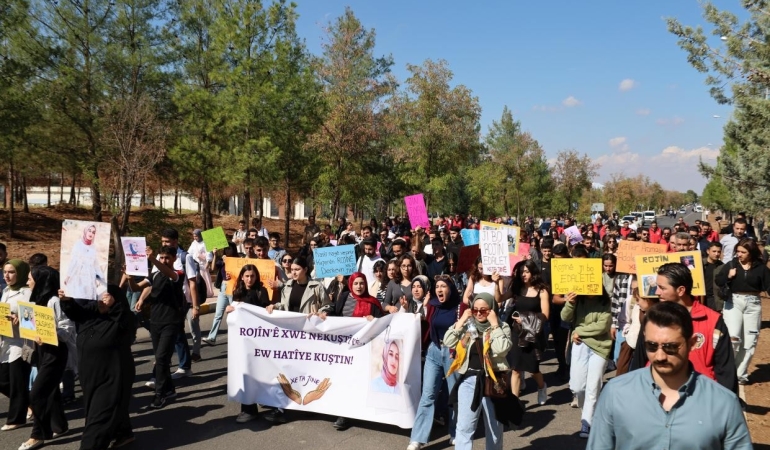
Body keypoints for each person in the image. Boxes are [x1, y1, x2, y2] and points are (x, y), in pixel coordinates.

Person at [587, 302, 752, 450]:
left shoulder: (724, 403)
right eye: (651, 346)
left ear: (692, 344)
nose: (660, 356)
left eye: (671, 347)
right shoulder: (615, 393)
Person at [631, 263, 737, 393]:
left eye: (662, 288)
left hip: (699, 396)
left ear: (681, 290)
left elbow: (725, 368)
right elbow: (639, 359)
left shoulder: (712, 320)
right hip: (656, 394)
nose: (657, 292)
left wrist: (727, 401)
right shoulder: (652, 316)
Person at [60, 284, 135, 450]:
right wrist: (66, 300)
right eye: (99, 297)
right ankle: (123, 433)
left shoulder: (121, 319)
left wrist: (114, 306)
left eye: (106, 297)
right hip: (91, 375)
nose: (102, 300)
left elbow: (128, 324)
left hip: (113, 374)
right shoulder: (90, 316)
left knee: (98, 419)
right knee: (98, 411)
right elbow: (75, 313)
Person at [443, 293, 514, 450]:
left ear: (492, 310)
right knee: (464, 427)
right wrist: (461, 320)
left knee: (494, 429)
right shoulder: (468, 327)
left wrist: (495, 325)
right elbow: (448, 341)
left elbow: (501, 349)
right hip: (469, 379)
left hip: (493, 380)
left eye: (484, 310)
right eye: (475, 310)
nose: (479, 313)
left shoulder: (503, 327)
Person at [406, 275, 466, 450]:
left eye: (443, 286)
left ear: (451, 289)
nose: (439, 289)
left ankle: (455, 433)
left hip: (452, 353)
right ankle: (417, 439)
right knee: (427, 395)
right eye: (437, 286)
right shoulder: (433, 305)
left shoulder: (460, 308)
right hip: (433, 351)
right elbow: (422, 323)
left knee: (453, 395)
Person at [318, 272, 384, 430]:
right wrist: (325, 314)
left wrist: (374, 321)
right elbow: (336, 312)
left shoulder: (373, 303)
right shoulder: (345, 296)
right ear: (351, 285)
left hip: (363, 349)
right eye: (356, 283)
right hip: (344, 348)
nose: (359, 286)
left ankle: (358, 411)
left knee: (358, 381)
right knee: (344, 380)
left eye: (362, 283)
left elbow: (381, 325)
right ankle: (343, 414)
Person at [19, 266, 70, 450]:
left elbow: (67, 328)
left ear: (41, 281)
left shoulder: (54, 300)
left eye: (30, 279)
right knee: (50, 389)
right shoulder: (37, 299)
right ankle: (60, 426)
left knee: (37, 393)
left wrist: (50, 334)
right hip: (42, 351)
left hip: (55, 352)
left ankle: (38, 434)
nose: (27, 282)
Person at [129, 246, 185, 409]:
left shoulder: (177, 275)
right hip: (155, 322)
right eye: (161, 258)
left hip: (171, 322)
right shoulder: (153, 275)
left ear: (174, 259)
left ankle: (159, 395)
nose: (164, 261)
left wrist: (152, 258)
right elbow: (136, 288)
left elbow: (170, 274)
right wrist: (129, 277)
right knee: (162, 359)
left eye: (167, 258)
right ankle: (169, 389)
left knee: (161, 358)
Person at [715, 238, 770, 385]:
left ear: (751, 253)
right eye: (738, 251)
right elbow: (718, 281)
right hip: (733, 303)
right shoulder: (731, 265)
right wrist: (728, 276)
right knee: (733, 338)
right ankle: (728, 372)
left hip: (753, 304)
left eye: (743, 252)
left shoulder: (761, 268)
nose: (739, 254)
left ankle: (741, 374)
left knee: (750, 341)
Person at [561, 282, 612, 439]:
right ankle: (588, 413)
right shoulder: (578, 299)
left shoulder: (605, 301)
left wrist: (579, 331)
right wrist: (570, 303)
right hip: (580, 345)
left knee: (593, 386)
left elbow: (603, 325)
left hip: (600, 347)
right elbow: (564, 317)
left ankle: (587, 422)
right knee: (577, 387)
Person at [226, 264, 270, 424]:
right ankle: (248, 409)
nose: (250, 279)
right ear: (242, 277)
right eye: (247, 276)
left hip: (258, 341)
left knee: (256, 374)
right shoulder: (237, 292)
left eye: (252, 276)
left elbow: (266, 313)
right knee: (244, 373)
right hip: (242, 343)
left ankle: (255, 405)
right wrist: (230, 311)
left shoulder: (261, 292)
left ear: (256, 277)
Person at [503, 260, 549, 404]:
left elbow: (545, 315)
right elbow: (499, 298)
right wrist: (497, 283)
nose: (523, 274)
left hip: (532, 334)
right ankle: (515, 404)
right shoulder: (516, 288)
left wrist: (525, 319)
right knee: (516, 369)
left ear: (533, 273)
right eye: (521, 271)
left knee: (533, 369)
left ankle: (542, 386)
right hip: (516, 333)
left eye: (526, 271)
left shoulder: (542, 291)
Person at [0, 259, 32, 431]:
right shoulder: (6, 291)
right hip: (6, 342)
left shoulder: (26, 293)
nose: (7, 275)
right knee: (3, 380)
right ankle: (33, 402)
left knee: (18, 381)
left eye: (11, 272)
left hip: (21, 343)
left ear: (20, 273)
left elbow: (31, 320)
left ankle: (16, 419)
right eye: (5, 272)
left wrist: (19, 320)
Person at [202, 243, 239, 346]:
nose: (228, 251)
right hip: (223, 288)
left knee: (234, 314)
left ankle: (237, 336)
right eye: (226, 249)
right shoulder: (222, 260)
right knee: (218, 314)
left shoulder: (238, 259)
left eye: (230, 249)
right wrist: (214, 255)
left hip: (234, 288)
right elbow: (212, 268)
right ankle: (212, 337)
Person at [63, 224, 107, 300]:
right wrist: (68, 276)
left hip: (89, 277)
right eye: (89, 231)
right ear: (85, 232)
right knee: (79, 297)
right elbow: (73, 261)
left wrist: (102, 277)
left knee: (88, 298)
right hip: (78, 276)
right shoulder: (78, 245)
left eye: (93, 232)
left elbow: (95, 263)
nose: (91, 234)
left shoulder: (93, 247)